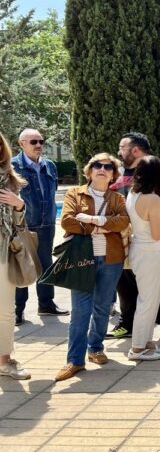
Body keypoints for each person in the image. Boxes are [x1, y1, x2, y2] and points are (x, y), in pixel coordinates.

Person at [55, 153, 130, 382]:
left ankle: (95, 347)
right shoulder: (74, 193)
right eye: (97, 165)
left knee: (102, 307)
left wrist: (92, 220)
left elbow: (123, 221)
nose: (102, 169)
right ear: (89, 170)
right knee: (80, 311)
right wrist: (105, 226)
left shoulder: (117, 198)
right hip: (82, 259)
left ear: (113, 175)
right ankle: (75, 360)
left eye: (108, 167)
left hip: (111, 259)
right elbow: (68, 221)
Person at [109, 133, 160, 342]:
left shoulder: (153, 171)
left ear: (135, 150)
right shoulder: (118, 173)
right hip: (123, 239)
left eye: (122, 147)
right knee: (125, 285)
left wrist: (159, 213)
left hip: (147, 239)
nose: (119, 152)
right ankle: (129, 325)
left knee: (159, 286)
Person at [12, 128, 67, 325]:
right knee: (22, 265)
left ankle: (46, 304)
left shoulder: (49, 165)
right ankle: (17, 310)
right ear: (21, 144)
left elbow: (52, 193)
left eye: (41, 141)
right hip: (23, 224)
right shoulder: (12, 166)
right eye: (33, 142)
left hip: (47, 223)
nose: (39, 145)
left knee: (46, 264)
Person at [126, 156, 160, 361]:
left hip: (140, 250)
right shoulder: (152, 198)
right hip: (149, 252)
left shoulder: (133, 193)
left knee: (151, 299)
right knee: (147, 301)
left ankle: (146, 343)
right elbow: (157, 234)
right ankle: (137, 348)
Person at [0, 132, 33, 379]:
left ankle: (4, 360)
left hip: (4, 253)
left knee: (5, 309)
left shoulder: (10, 179)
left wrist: (18, 204)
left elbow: (19, 222)